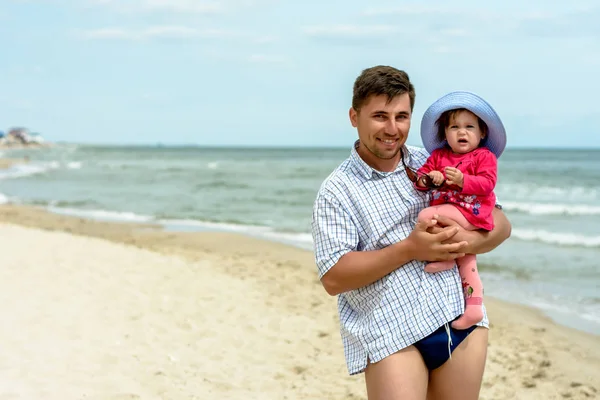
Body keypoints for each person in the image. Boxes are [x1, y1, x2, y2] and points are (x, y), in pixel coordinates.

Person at [311, 65, 511, 400]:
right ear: (353, 116)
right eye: (379, 116)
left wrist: (465, 241)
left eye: (402, 116)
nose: (392, 129)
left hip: (459, 317)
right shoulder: (337, 190)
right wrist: (411, 249)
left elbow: (501, 224)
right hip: (391, 333)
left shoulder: (433, 162)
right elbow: (334, 278)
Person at [411, 91, 506, 330]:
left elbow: (487, 184)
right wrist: (428, 179)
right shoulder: (439, 156)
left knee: (426, 216)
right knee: (468, 261)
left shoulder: (484, 156)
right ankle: (474, 307)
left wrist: (464, 181)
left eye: (469, 127)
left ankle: (444, 256)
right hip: (454, 214)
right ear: (445, 133)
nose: (462, 132)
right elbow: (420, 179)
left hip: (472, 211)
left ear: (482, 132)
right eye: (454, 127)